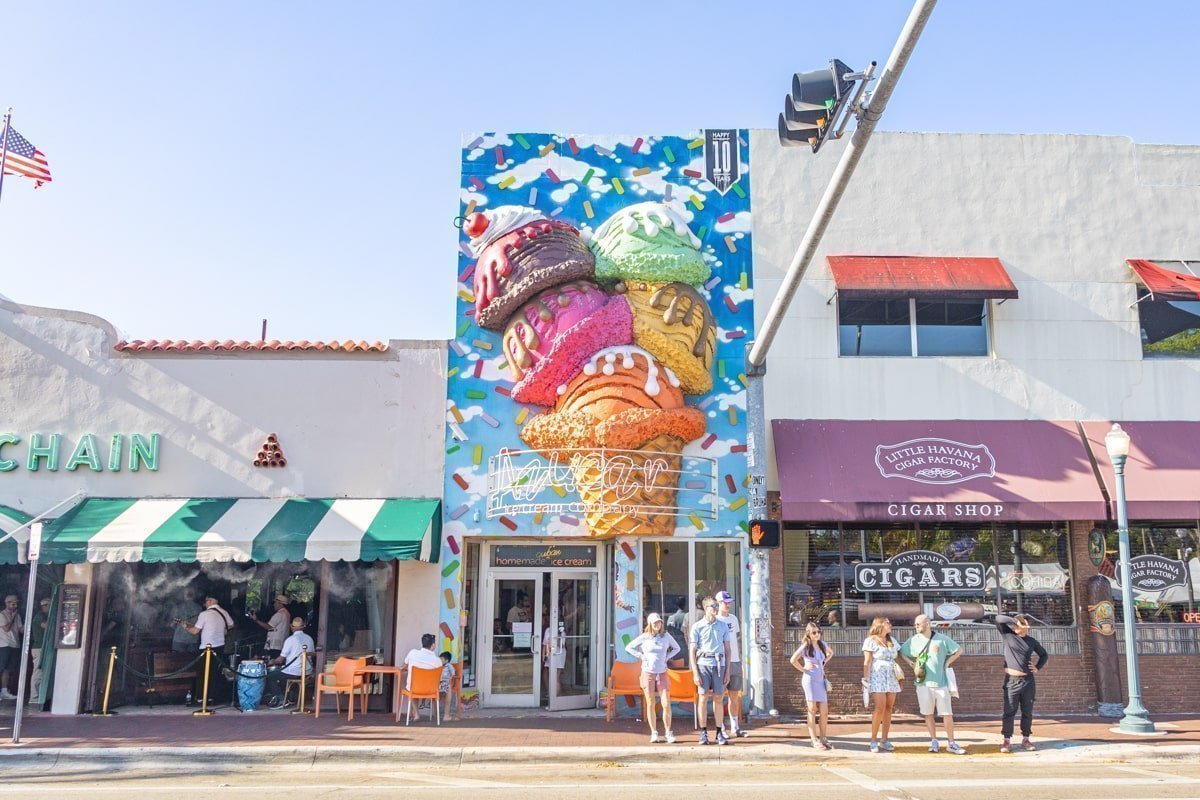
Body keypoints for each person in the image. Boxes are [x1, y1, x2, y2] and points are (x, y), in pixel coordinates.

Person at [900, 614, 965, 754]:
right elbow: (901, 651)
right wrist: (910, 663)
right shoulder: (913, 640)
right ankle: (934, 740)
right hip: (923, 683)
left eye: (918, 624)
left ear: (928, 624)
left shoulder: (941, 639)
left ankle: (951, 742)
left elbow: (959, 650)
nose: (916, 626)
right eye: (915, 624)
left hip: (941, 683)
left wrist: (947, 662)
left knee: (947, 713)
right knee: (927, 713)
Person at [996, 613, 1049, 754]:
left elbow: (1044, 654)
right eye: (1015, 624)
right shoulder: (1008, 635)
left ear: (1027, 626)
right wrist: (1015, 621)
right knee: (1009, 711)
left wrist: (1037, 667)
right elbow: (998, 619)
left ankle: (1026, 739)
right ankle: (1006, 740)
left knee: (1027, 711)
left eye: (1021, 623)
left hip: (1028, 681)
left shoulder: (1031, 641)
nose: (1015, 626)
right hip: (1012, 681)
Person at [626, 612, 681, 743]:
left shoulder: (666, 636)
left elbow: (676, 648)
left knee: (666, 703)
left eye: (659, 622)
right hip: (648, 672)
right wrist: (642, 656)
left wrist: (667, 658)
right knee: (650, 702)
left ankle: (668, 732)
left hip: (662, 672)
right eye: (655, 622)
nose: (657, 624)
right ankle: (654, 732)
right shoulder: (645, 637)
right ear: (650, 624)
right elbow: (629, 647)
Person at [689, 596, 731, 746]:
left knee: (718, 698)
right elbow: (692, 650)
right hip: (703, 664)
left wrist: (727, 670)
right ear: (705, 608)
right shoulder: (697, 626)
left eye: (716, 605)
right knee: (702, 697)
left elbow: (728, 649)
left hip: (719, 664)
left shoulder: (723, 626)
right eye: (713, 606)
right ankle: (703, 732)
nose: (715, 608)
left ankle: (719, 732)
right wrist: (695, 672)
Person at [790, 622, 833, 750]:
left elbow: (831, 653)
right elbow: (793, 660)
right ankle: (814, 739)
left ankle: (823, 738)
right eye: (814, 632)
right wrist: (804, 669)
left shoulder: (822, 644)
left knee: (824, 711)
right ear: (808, 633)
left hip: (820, 680)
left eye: (819, 632)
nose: (817, 634)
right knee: (812, 709)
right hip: (810, 680)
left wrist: (823, 663)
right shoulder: (806, 646)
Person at [862, 617, 901, 753]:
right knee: (879, 708)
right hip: (877, 677)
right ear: (880, 625)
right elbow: (867, 661)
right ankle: (873, 740)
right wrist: (865, 679)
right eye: (887, 623)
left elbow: (900, 654)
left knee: (889, 708)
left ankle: (884, 739)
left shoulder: (892, 640)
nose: (890, 624)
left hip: (891, 677)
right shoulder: (870, 640)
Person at [715, 589, 748, 738]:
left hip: (735, 661)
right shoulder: (715, 620)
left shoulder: (734, 619)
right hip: (720, 662)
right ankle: (720, 727)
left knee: (734, 695)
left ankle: (735, 726)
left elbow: (736, 639)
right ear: (718, 603)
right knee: (719, 696)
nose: (728, 605)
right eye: (725, 602)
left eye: (729, 602)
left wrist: (740, 660)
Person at [265, 616, 314, 707]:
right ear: (303, 627)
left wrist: (272, 661)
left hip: (295, 671)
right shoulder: (309, 638)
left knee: (271, 676)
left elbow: (280, 660)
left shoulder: (290, 640)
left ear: (292, 627)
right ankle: (290, 698)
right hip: (308, 671)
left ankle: (281, 699)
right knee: (285, 672)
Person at [404, 633, 444, 720]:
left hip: (414, 688)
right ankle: (435, 716)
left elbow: (405, 664)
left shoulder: (412, 653)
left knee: (411, 688)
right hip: (431, 690)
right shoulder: (438, 661)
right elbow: (439, 679)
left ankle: (416, 714)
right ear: (433, 645)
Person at [250, 594, 292, 659]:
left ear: (280, 603)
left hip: (274, 644)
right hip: (282, 643)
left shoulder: (279, 614)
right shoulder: (287, 613)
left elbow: (268, 626)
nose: (274, 605)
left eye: (275, 603)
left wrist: (256, 620)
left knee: (272, 660)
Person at [0, 594, 23, 700]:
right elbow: (6, 629)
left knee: (8, 669)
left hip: (15, 645)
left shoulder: (17, 616)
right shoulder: (2, 615)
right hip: (4, 645)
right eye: (13, 603)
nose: (15, 606)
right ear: (7, 603)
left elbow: (20, 630)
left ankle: (4, 691)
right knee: (1, 667)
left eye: (16, 603)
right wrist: (13, 617)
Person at [30, 597, 51, 698]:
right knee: (38, 671)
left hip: (43, 647)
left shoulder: (44, 616)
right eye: (50, 606)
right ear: (45, 605)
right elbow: (46, 626)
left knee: (42, 671)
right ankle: (34, 695)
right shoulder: (39, 616)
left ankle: (40, 695)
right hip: (38, 647)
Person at [439, 650, 455, 720]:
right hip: (440, 682)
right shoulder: (440, 666)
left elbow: (453, 672)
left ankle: (446, 715)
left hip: (446, 682)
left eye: (441, 659)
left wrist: (451, 677)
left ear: (447, 660)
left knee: (446, 689)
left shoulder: (449, 665)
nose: (440, 661)